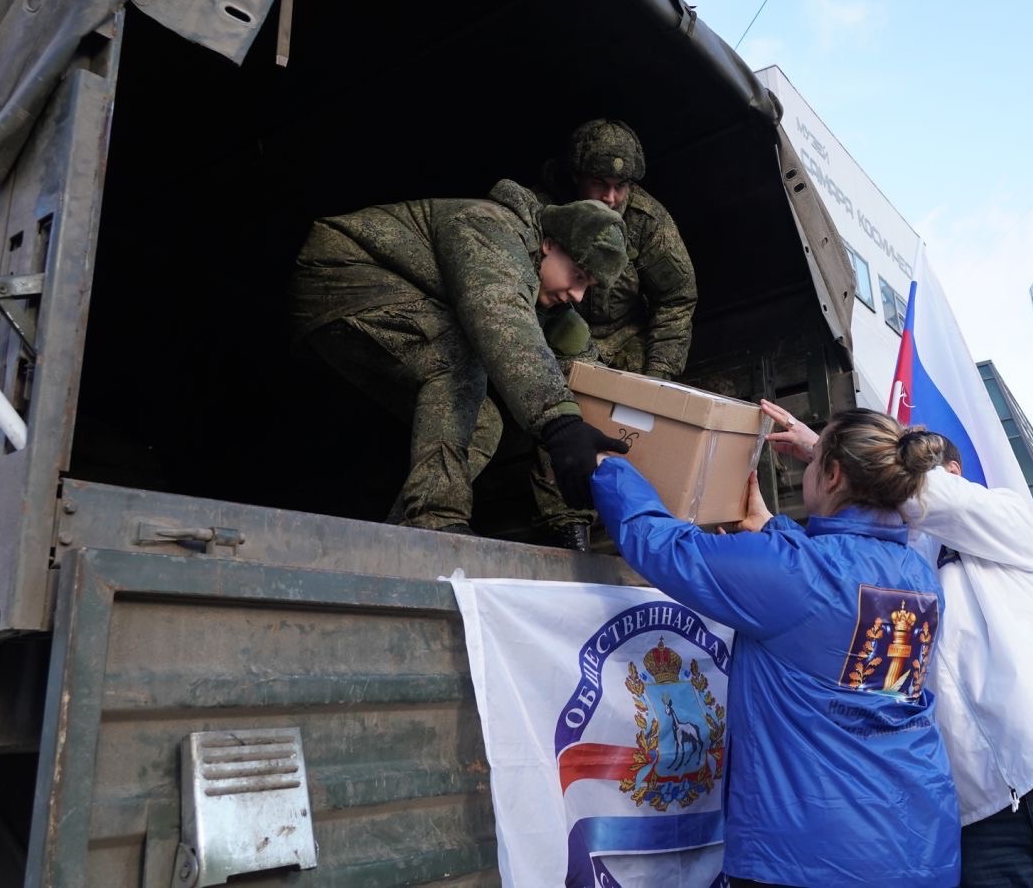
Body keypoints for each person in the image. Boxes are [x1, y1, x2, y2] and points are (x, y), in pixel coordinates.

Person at [761, 400, 1033, 888]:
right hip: (974, 807)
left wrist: (827, 449)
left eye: (933, 473)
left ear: (952, 473)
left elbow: (945, 502)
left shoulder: (1013, 526)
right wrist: (828, 469)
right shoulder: (892, 561)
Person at [590, 408, 960, 887]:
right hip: (920, 845)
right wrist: (772, 530)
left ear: (831, 474)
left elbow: (665, 548)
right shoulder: (918, 575)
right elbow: (830, 609)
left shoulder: (796, 572)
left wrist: (608, 467)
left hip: (812, 857)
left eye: (812, 463)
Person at [288, 179, 630, 538]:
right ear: (549, 244)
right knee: (459, 362)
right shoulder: (490, 227)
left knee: (481, 420)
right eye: (576, 275)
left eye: (587, 286)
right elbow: (499, 314)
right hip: (343, 276)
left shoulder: (547, 295)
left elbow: (588, 371)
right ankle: (432, 520)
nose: (576, 294)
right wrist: (560, 423)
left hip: (386, 299)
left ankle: (404, 535)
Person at [536, 119, 697, 378]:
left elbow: (676, 299)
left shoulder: (646, 222)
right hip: (554, 330)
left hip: (624, 338)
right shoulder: (547, 210)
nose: (610, 198)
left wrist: (658, 376)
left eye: (620, 186)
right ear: (577, 177)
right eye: (599, 183)